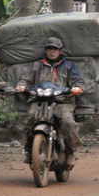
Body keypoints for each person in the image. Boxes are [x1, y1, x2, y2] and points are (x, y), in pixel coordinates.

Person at [16, 37, 84, 169]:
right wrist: (21, 85)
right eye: (49, 49)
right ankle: (30, 150)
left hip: (61, 102)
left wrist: (77, 87)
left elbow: (78, 81)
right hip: (39, 101)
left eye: (55, 49)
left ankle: (70, 152)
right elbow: (24, 79)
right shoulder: (36, 65)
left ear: (60, 51)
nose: (52, 51)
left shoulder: (69, 66)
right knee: (30, 119)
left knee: (67, 122)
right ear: (45, 51)